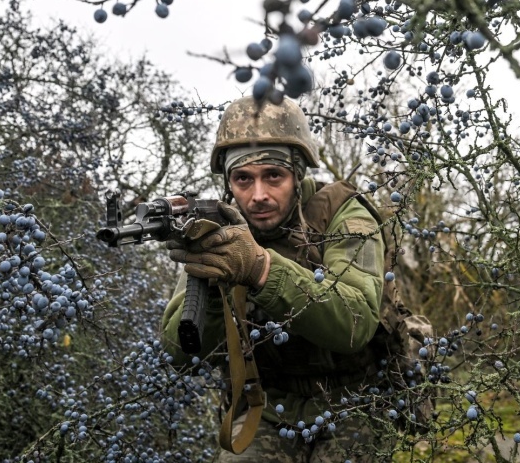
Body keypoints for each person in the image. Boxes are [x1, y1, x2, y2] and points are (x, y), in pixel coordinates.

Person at [160, 96, 389, 462]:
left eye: (273, 175)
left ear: (297, 174)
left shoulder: (343, 214)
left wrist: (261, 269)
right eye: (243, 179)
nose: (258, 195)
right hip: (265, 404)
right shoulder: (220, 233)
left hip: (355, 400)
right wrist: (214, 284)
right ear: (228, 185)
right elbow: (179, 354)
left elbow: (355, 322)